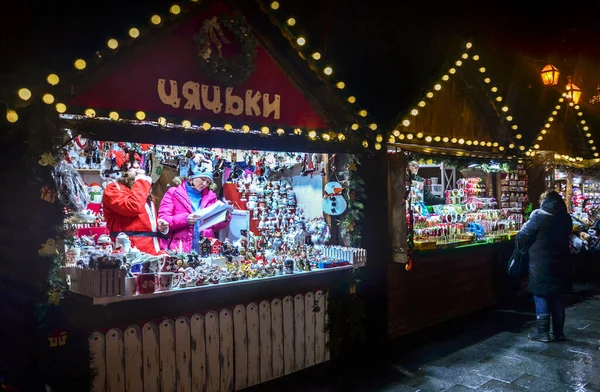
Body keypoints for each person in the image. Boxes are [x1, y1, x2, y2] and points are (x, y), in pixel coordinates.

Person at [516, 190, 572, 342]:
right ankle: (559, 332)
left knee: (541, 294)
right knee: (558, 296)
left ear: (544, 201)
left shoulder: (538, 216)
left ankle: (543, 332)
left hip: (540, 263)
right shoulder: (566, 218)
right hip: (562, 262)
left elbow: (522, 235)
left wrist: (523, 246)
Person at [103, 150, 169, 255]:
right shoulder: (113, 189)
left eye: (138, 163)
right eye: (132, 164)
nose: (137, 166)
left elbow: (143, 221)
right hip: (130, 251)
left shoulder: (140, 188)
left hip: (151, 250)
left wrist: (160, 227)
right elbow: (133, 207)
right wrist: (142, 181)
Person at [158, 164, 231, 253]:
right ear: (192, 177)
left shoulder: (211, 197)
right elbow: (164, 219)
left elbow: (215, 226)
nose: (204, 184)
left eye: (208, 182)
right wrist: (185, 219)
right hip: (179, 250)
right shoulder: (174, 193)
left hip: (204, 250)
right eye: (203, 179)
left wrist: (224, 218)